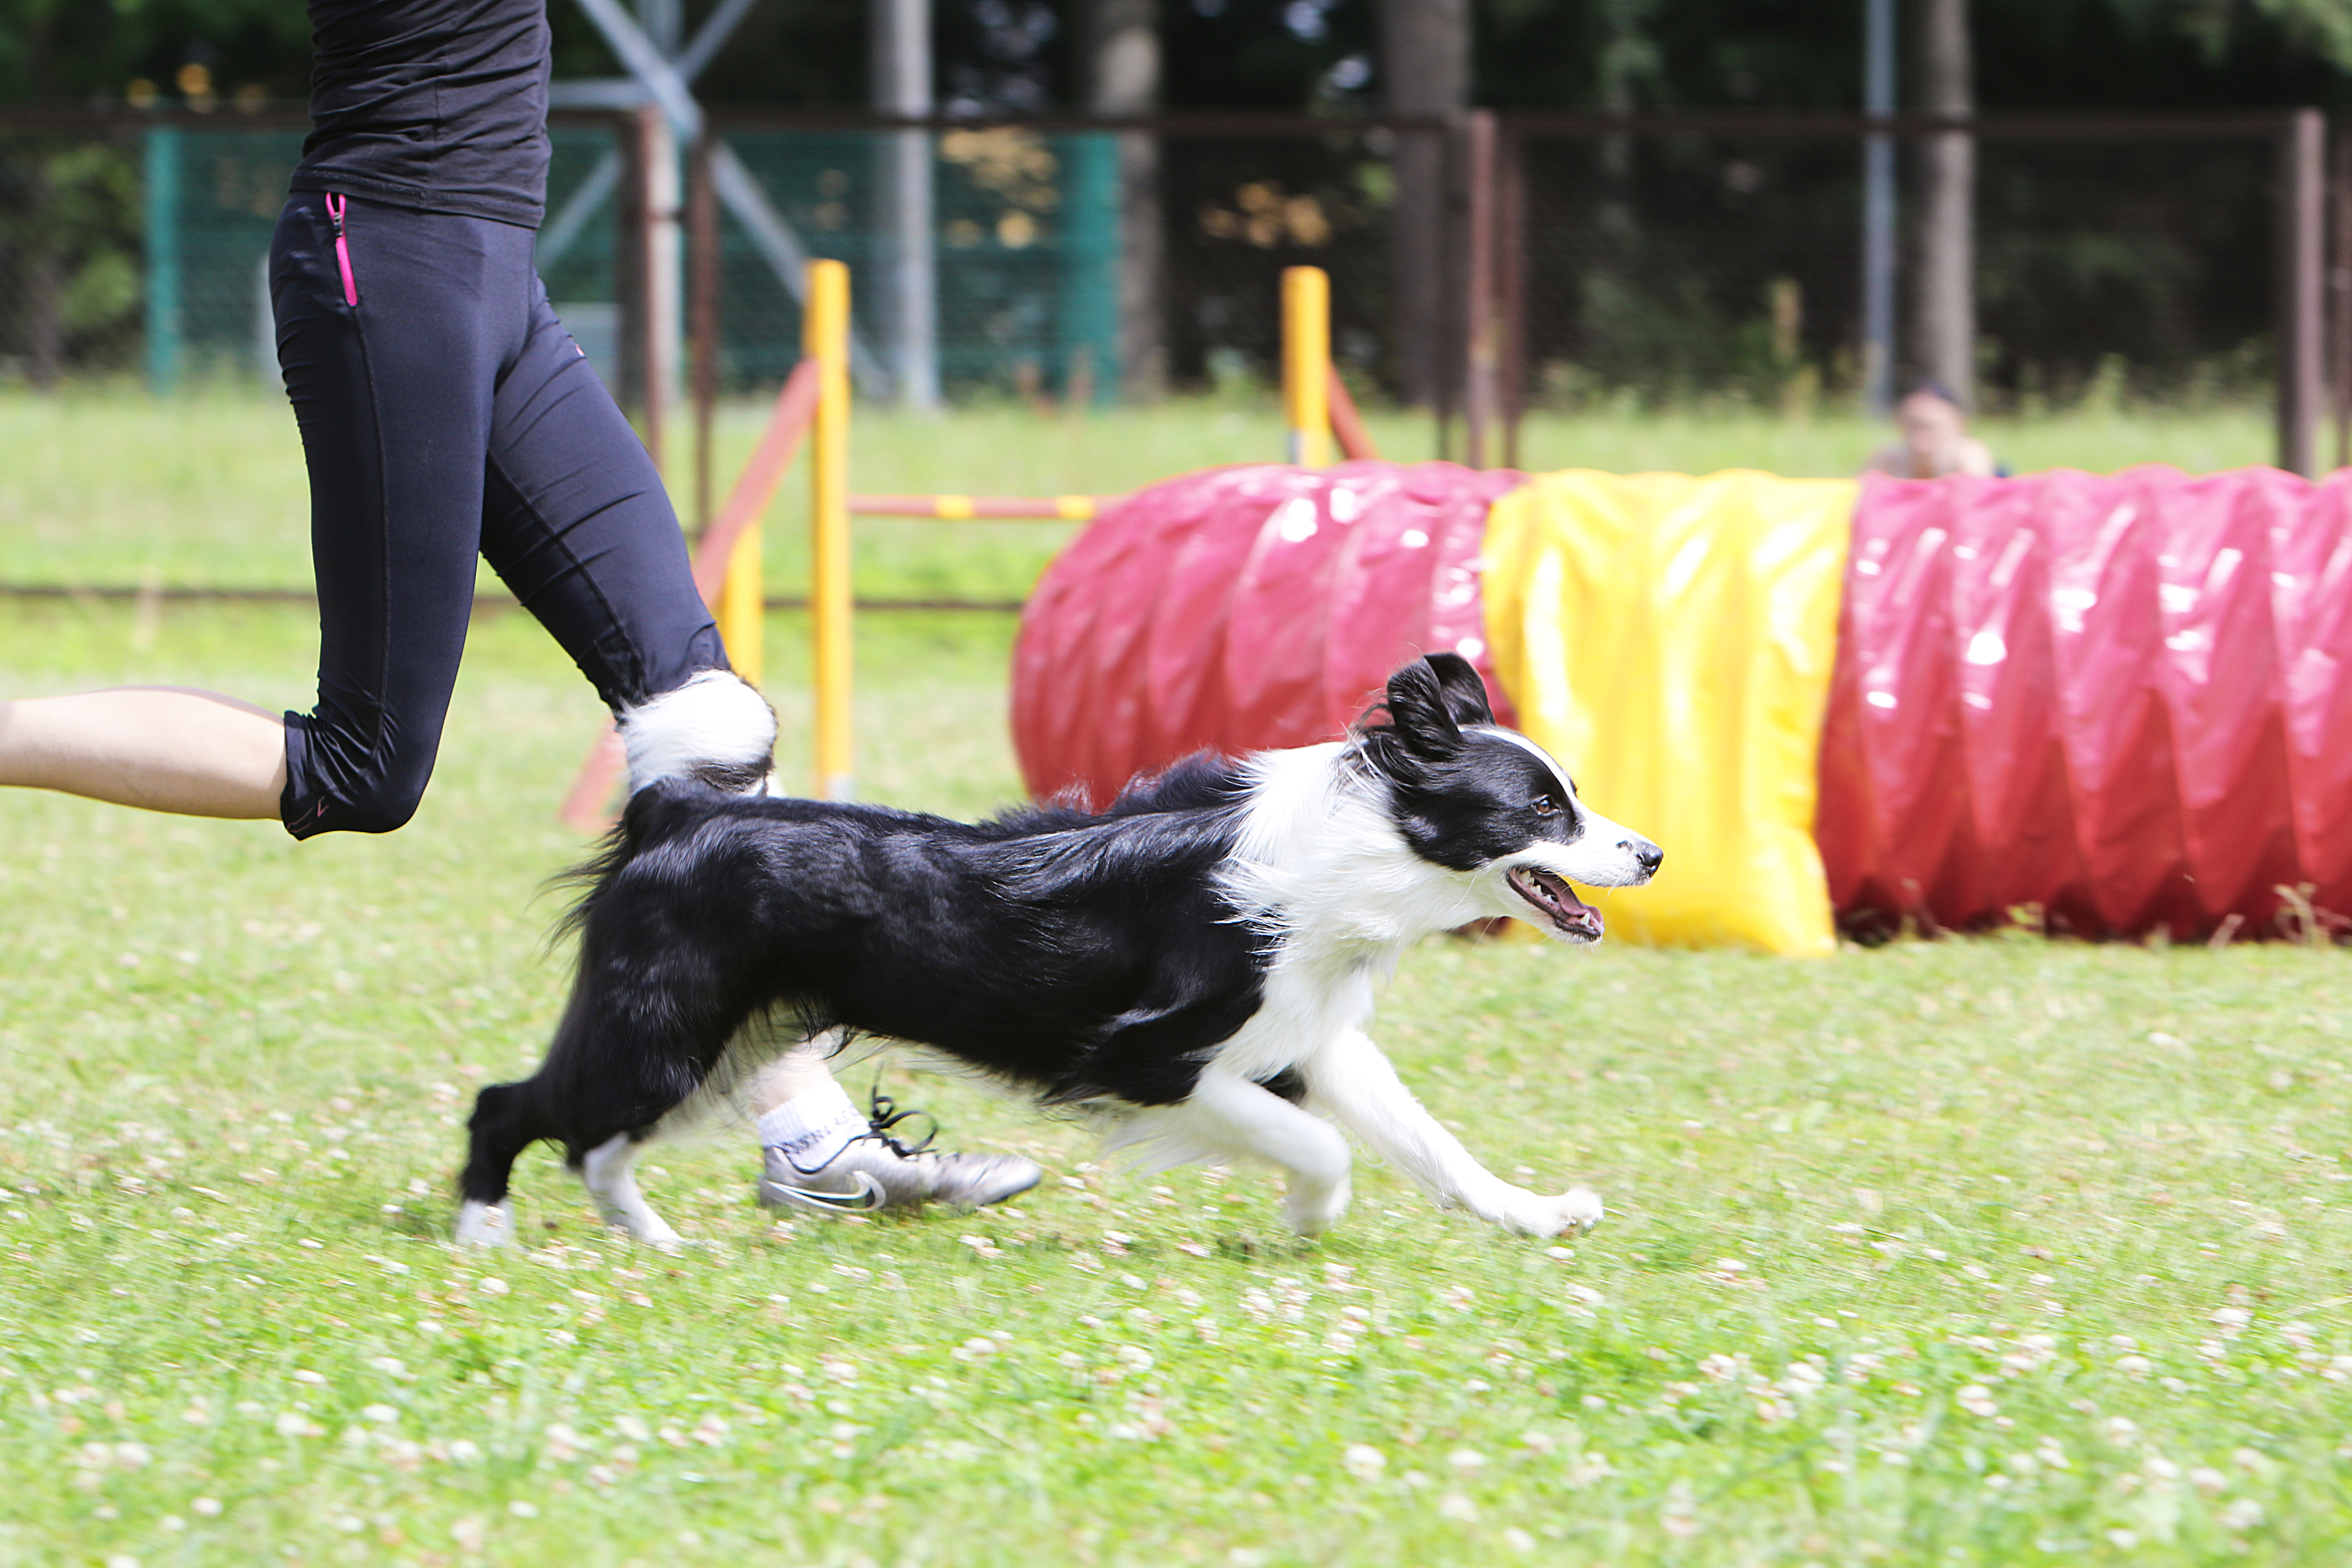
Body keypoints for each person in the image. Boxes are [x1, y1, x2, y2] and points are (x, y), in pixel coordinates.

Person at [0, 0, 1038, 1225]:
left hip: (494, 276)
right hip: (385, 264)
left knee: (696, 706)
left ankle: (808, 1142)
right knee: (364, 769)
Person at [1862, 380, 2002, 480]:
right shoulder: (1889, 458)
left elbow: (1980, 501)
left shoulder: (1968, 455)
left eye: (1932, 428)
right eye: (1914, 426)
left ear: (1960, 425)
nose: (1921, 437)